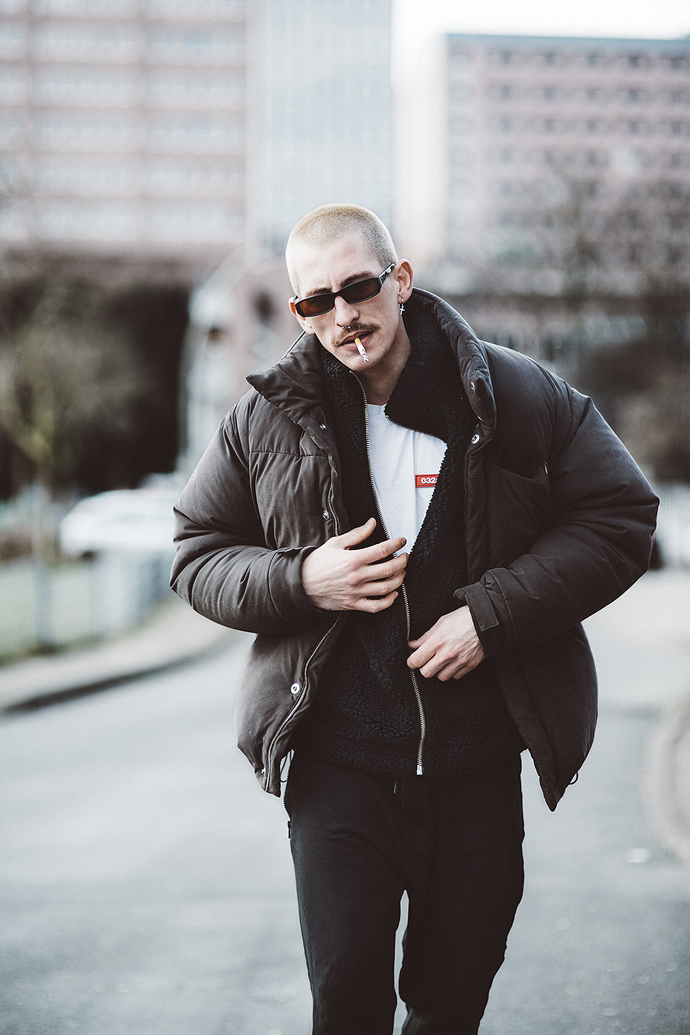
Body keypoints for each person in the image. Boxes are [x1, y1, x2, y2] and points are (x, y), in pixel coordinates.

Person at [171, 204, 658, 1034]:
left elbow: (620, 517)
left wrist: (490, 616)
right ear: (298, 312)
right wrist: (302, 578)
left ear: (400, 280)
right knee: (347, 1000)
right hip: (338, 769)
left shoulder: (517, 395)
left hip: (476, 765)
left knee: (450, 1004)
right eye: (316, 301)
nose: (342, 314)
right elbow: (196, 552)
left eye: (358, 287)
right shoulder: (266, 417)